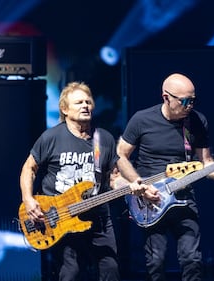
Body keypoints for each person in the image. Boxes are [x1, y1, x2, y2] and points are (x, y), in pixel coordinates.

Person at [116, 73, 214, 281]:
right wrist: (139, 184)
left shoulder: (197, 121)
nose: (189, 105)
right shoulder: (142, 119)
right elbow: (120, 154)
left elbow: (207, 164)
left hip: (183, 197)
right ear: (166, 97)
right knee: (156, 261)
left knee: (192, 259)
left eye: (193, 100)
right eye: (184, 101)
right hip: (151, 200)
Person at [19, 81, 143, 281]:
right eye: (79, 102)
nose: (85, 105)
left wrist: (130, 187)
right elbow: (29, 168)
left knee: (111, 270)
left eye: (88, 101)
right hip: (59, 217)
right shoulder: (51, 137)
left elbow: (114, 178)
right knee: (71, 272)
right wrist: (28, 198)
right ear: (65, 109)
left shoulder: (103, 139)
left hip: (98, 217)